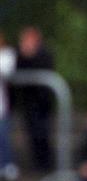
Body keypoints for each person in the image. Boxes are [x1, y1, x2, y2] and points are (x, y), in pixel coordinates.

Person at [15, 26, 54, 171]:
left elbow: (46, 69)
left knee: (42, 133)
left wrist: (31, 56)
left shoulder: (45, 54)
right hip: (28, 101)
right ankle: (38, 163)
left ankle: (46, 164)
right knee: (31, 132)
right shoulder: (19, 54)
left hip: (42, 101)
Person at [0, 31, 19, 181]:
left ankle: (7, 167)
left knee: (3, 138)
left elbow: (5, 70)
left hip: (1, 107)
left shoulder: (7, 54)